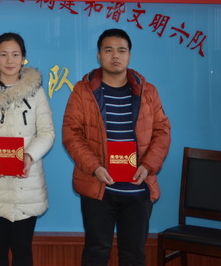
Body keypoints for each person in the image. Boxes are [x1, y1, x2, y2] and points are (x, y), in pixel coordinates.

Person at [62, 28, 171, 266]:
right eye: (108, 50)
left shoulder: (148, 91)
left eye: (121, 50)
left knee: (134, 256)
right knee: (96, 253)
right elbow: (71, 133)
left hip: (138, 188)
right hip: (98, 187)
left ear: (129, 55)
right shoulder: (83, 91)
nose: (115, 56)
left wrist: (147, 166)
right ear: (99, 55)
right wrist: (95, 167)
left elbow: (162, 132)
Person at [0, 33, 55, 266]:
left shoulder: (36, 92)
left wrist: (29, 155)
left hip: (27, 182)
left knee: (23, 250)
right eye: (3, 54)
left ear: (23, 58)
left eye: (15, 54)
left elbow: (47, 133)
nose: (10, 60)